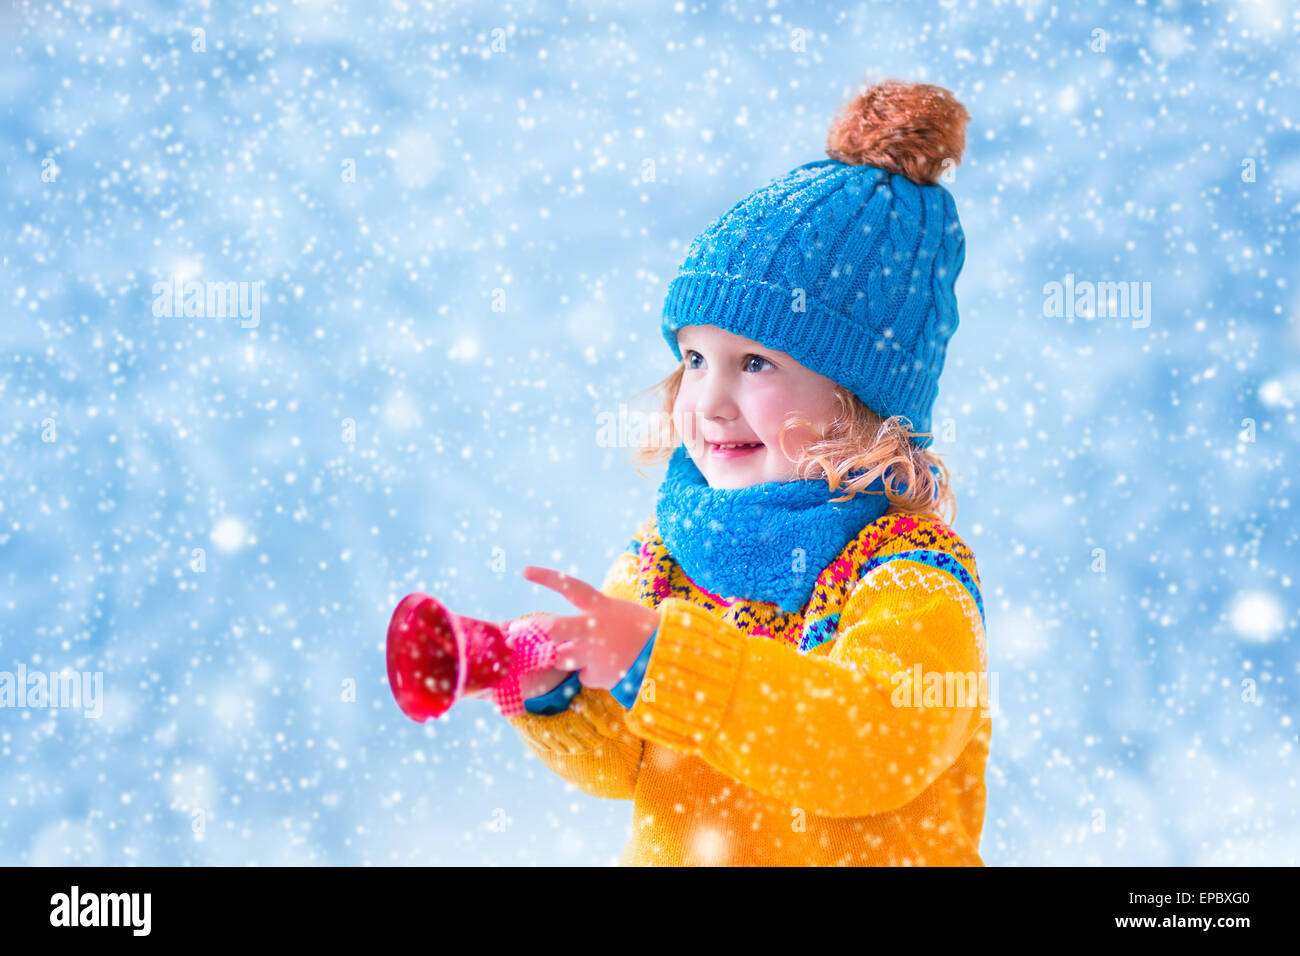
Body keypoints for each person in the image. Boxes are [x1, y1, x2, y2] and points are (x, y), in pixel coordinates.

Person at [505, 78, 989, 866]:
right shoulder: (669, 557)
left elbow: (869, 746)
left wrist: (661, 659)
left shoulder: (907, 577)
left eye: (755, 363)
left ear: (860, 403)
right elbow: (626, 761)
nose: (710, 400)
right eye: (695, 359)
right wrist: (557, 696)